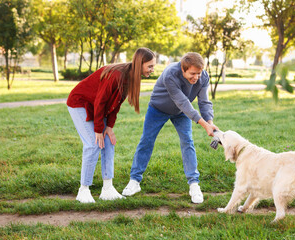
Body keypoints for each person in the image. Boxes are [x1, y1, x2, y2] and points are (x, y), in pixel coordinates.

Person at [122, 52, 218, 203]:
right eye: (192, 73)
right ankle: (134, 181)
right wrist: (203, 124)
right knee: (147, 141)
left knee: (188, 142)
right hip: (158, 108)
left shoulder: (203, 77)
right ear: (183, 68)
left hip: (181, 112)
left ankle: (194, 184)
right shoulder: (170, 74)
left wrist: (210, 122)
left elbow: (204, 102)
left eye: (198, 73)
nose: (196, 77)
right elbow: (182, 102)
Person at [67, 47, 156, 203]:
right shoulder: (117, 75)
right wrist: (98, 130)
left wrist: (109, 127)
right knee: (93, 144)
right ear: (139, 63)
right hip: (80, 103)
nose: (152, 70)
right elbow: (100, 101)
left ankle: (107, 189)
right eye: (150, 66)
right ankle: (83, 191)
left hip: (96, 106)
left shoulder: (131, 77)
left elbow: (116, 103)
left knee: (108, 142)